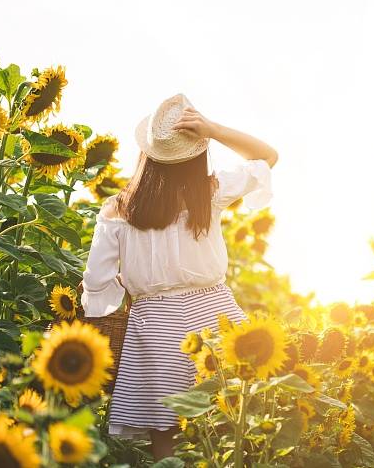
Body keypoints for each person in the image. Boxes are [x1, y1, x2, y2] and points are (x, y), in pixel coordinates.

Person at [80, 93, 278, 460]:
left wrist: (115, 292)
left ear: (146, 155)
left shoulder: (118, 209)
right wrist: (215, 130)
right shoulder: (210, 192)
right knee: (236, 413)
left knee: (165, 429)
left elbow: (96, 280)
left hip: (155, 322)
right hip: (215, 309)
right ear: (196, 156)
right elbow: (267, 156)